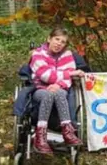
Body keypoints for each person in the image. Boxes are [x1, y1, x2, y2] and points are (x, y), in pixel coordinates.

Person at [30, 27, 84, 155]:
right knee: (50, 93)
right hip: (40, 89)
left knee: (57, 92)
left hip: (61, 89)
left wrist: (59, 84)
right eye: (57, 39)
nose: (59, 43)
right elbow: (46, 76)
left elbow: (68, 81)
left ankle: (67, 131)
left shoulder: (67, 55)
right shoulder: (37, 54)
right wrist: (69, 73)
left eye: (63, 42)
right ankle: (41, 136)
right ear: (49, 39)